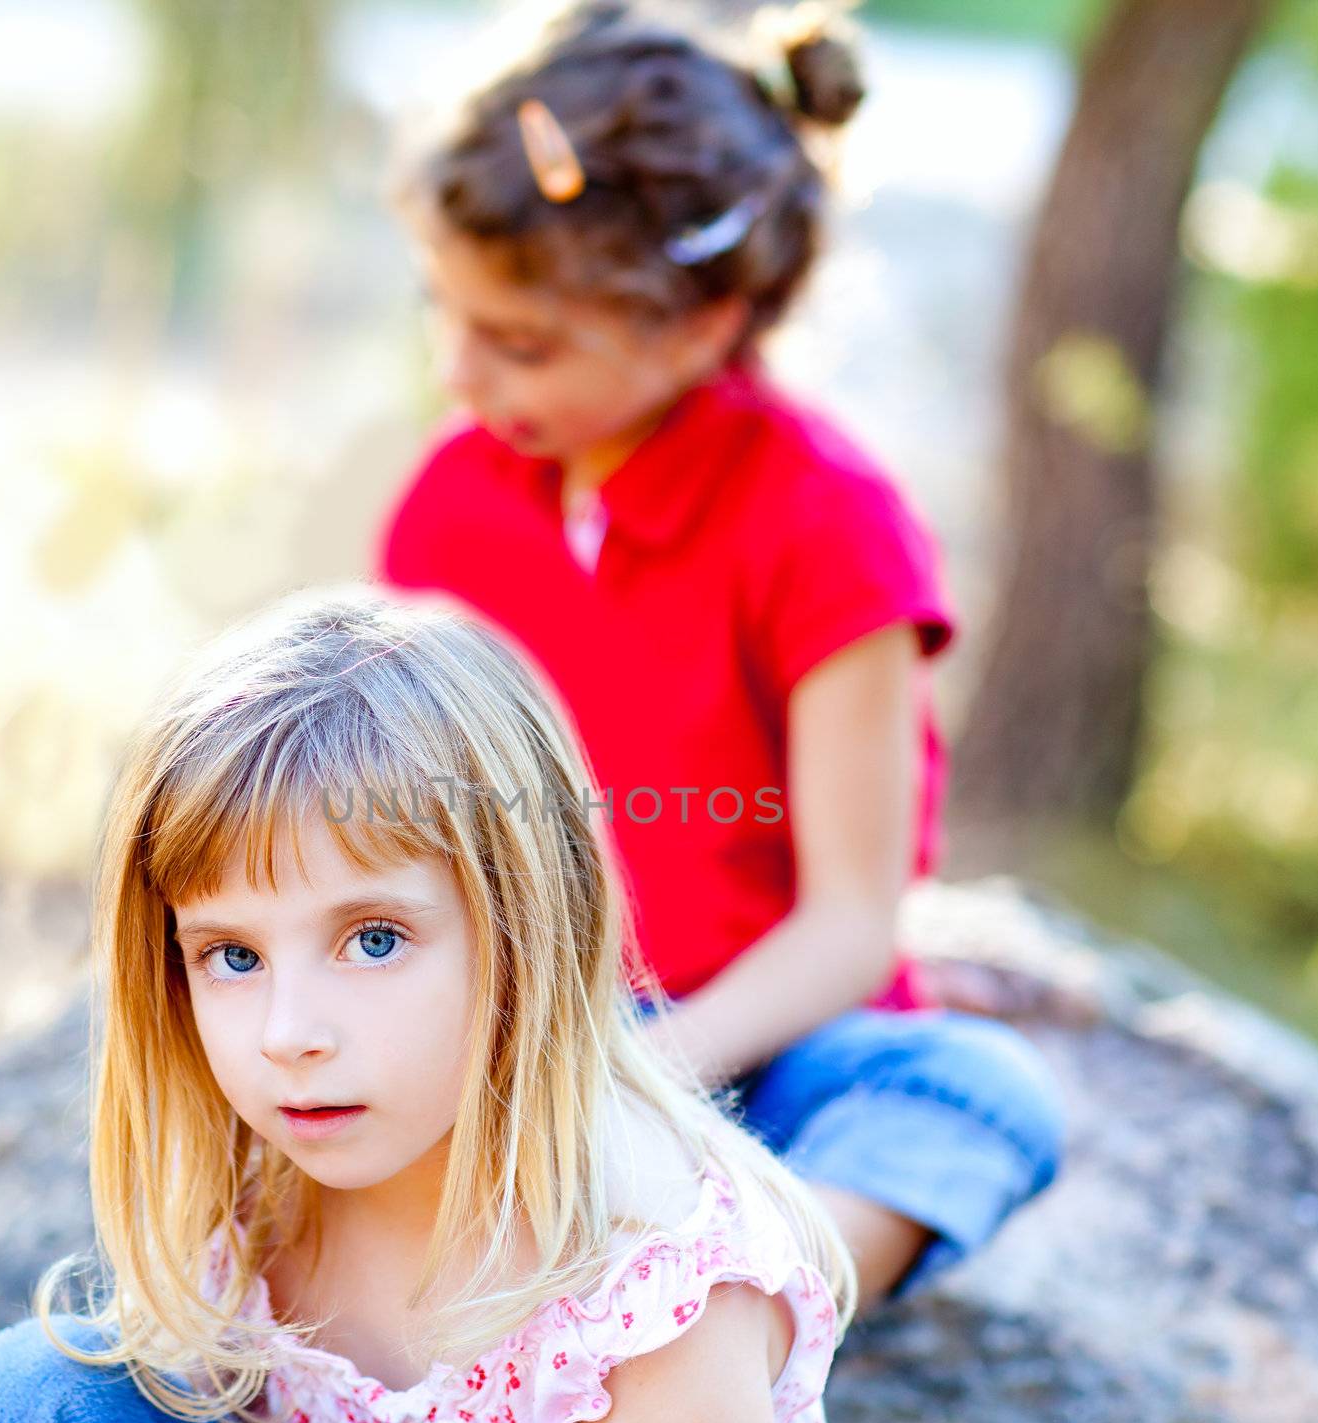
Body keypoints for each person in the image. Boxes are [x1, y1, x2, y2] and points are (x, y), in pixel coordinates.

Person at [0, 587, 856, 1423]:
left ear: (525, 922)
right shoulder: (270, 1191)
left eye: (373, 940)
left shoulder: (648, 1278)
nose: (290, 1034)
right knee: (31, 1398)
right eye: (231, 954)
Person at [375, 0, 1064, 1309]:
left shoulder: (828, 528)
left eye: (518, 344)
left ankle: (734, 1330)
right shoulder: (450, 505)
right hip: (520, 1033)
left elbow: (853, 920)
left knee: (976, 1096)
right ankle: (550, 1280)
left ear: (702, 323)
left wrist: (640, 1083)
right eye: (443, 313)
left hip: (758, 1048)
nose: (459, 373)